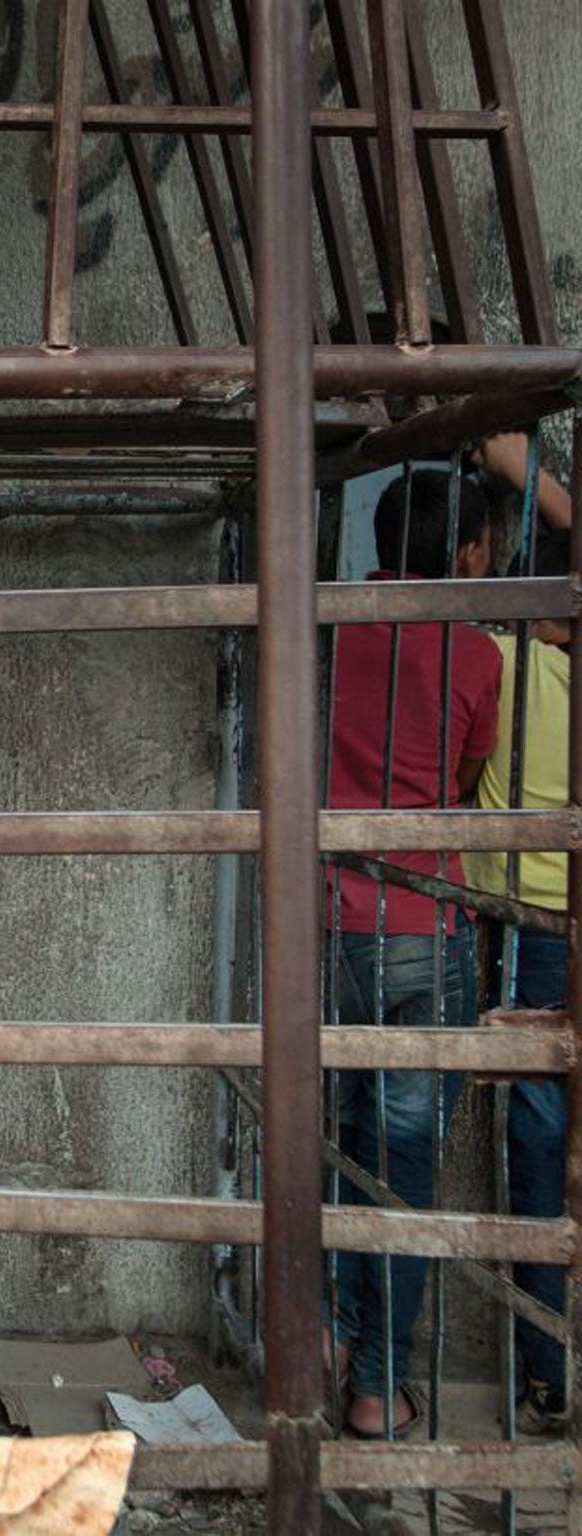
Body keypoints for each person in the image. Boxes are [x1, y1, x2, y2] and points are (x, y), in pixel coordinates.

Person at [323, 468, 503, 1439]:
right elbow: (470, 777)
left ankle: (321, 1335)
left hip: (328, 918)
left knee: (329, 1144)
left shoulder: (333, 628)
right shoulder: (479, 656)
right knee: (399, 1171)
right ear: (467, 553)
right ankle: (373, 1388)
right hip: (421, 928)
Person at [463, 493, 573, 1436]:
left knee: (536, 1136)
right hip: (562, 919)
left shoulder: (502, 657)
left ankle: (549, 1368)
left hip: (520, 920)